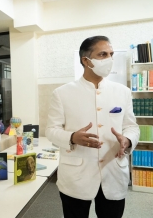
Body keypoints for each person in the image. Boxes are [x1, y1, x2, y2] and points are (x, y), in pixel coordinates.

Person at [45, 36, 139, 218]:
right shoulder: (62, 93)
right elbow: (51, 130)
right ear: (86, 60)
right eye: (103, 54)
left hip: (113, 172)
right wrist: (72, 137)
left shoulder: (123, 92)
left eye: (111, 54)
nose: (110, 59)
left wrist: (127, 140)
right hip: (76, 175)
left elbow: (131, 127)